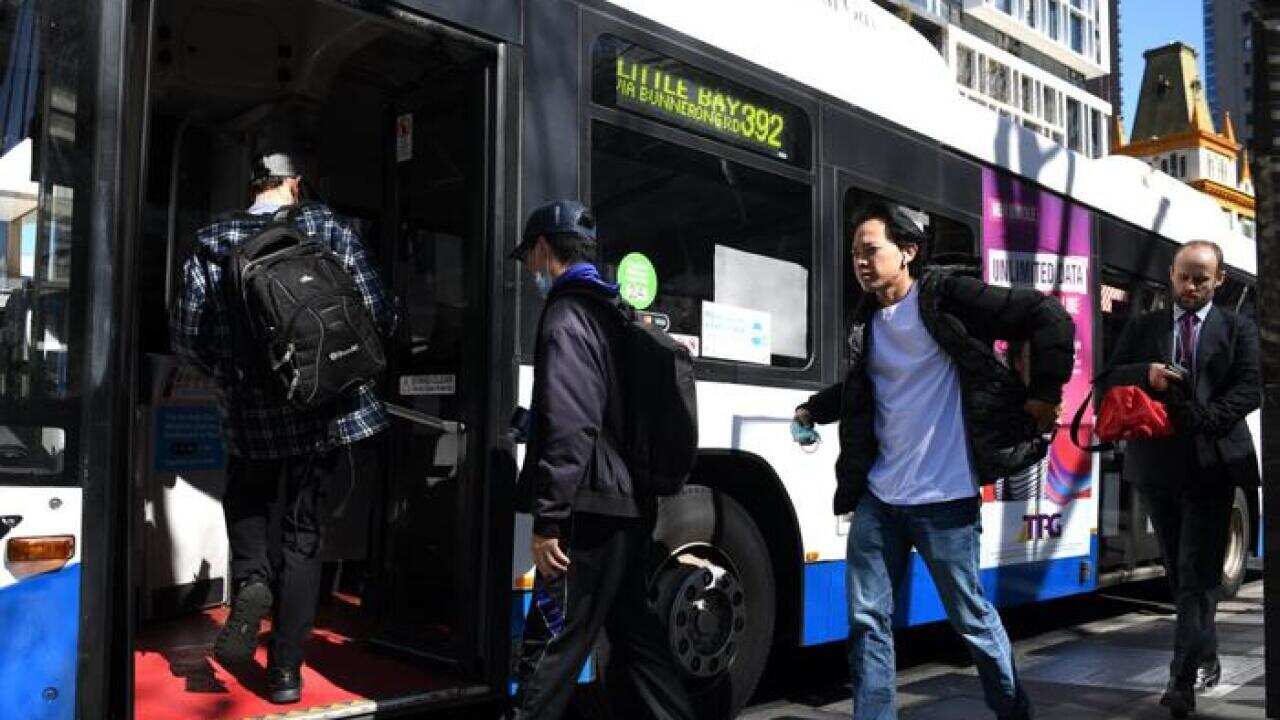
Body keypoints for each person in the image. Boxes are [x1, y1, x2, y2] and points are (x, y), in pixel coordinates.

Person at [792, 202, 1075, 720]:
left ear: (907, 251)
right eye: (855, 253)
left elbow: (1047, 314)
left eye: (870, 250)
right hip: (881, 498)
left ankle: (1014, 710)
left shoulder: (947, 296)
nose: (860, 261)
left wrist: (1044, 392)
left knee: (970, 618)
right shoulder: (870, 321)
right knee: (866, 620)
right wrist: (814, 408)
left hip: (945, 498)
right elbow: (867, 388)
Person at [171, 149, 395, 704]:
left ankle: (251, 580)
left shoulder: (211, 239)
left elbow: (187, 334)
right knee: (302, 538)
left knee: (246, 500)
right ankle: (286, 674)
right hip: (323, 413)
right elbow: (377, 311)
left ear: (256, 184)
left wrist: (235, 374)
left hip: (252, 414)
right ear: (295, 182)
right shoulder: (330, 227)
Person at [509, 200, 695, 720]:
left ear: (545, 249)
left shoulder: (566, 316)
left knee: (550, 646)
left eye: (529, 258)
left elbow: (573, 428)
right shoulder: (611, 311)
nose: (529, 271)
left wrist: (548, 523)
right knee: (640, 642)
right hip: (630, 506)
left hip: (588, 515)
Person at [1100, 240, 1260, 718]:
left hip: (1214, 466)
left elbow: (1250, 387)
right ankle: (1204, 650)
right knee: (1181, 570)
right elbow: (1106, 378)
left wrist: (1205, 418)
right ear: (1171, 275)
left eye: (1201, 279)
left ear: (1219, 280)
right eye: (1183, 277)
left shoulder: (1238, 327)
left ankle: (1180, 679)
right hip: (1157, 466)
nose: (1190, 287)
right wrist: (1144, 374)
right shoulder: (1146, 326)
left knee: (1195, 572)